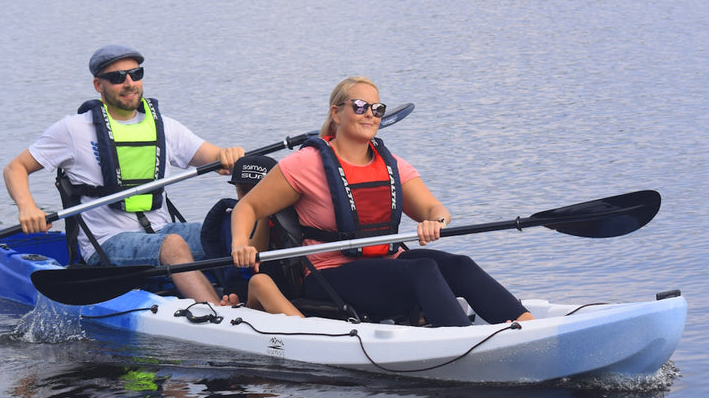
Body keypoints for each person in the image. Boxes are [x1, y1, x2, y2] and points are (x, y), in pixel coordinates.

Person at [229, 76, 534, 327]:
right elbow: (248, 207)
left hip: (385, 264)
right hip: (329, 274)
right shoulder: (305, 164)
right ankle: (470, 344)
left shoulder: (391, 165)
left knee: (460, 266)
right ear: (336, 114)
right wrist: (241, 242)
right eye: (360, 106)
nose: (370, 114)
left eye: (377, 108)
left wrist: (435, 223)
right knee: (423, 270)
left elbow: (434, 209)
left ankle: (529, 327)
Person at [4, 44, 244, 305]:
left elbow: (216, 157)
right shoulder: (73, 130)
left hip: (161, 231)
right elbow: (15, 168)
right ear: (98, 84)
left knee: (233, 226)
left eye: (135, 74)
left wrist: (229, 155)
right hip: (107, 244)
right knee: (173, 245)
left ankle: (251, 295)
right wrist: (27, 207)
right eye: (118, 78)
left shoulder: (166, 127)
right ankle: (217, 314)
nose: (129, 83)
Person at [203, 155, 304, 317]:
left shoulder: (298, 214)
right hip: (256, 294)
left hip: (296, 290)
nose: (249, 198)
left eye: (256, 191)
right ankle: (306, 331)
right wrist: (262, 213)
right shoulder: (234, 224)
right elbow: (254, 254)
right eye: (243, 191)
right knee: (260, 282)